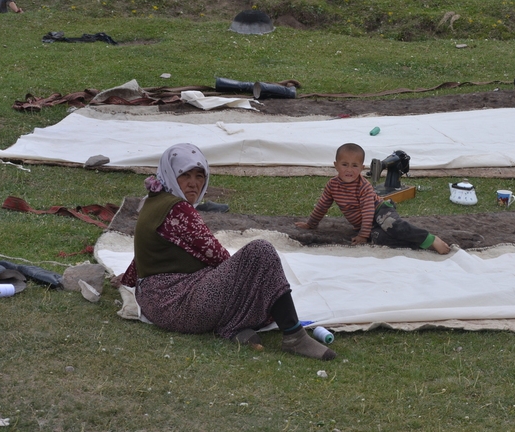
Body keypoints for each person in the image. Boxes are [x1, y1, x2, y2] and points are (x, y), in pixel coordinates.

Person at [116, 143, 335, 360]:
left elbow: (148, 248)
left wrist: (127, 279)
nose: (194, 184)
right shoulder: (178, 209)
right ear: (171, 174)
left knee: (251, 280)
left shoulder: (154, 202)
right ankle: (294, 336)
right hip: (176, 305)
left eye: (199, 176)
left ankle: (233, 328)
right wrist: (247, 278)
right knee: (261, 251)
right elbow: (217, 256)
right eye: (185, 176)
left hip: (155, 301)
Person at [295, 143, 451, 254]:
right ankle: (417, 245)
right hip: (366, 225)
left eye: (355, 166)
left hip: (379, 211)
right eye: (345, 165)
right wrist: (311, 224)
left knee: (393, 226)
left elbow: (368, 210)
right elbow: (322, 205)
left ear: (362, 168)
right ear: (335, 165)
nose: (349, 170)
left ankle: (430, 239)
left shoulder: (363, 186)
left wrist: (363, 235)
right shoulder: (332, 185)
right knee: (381, 239)